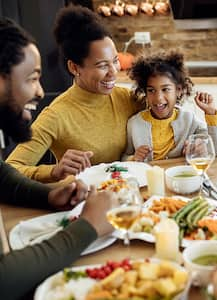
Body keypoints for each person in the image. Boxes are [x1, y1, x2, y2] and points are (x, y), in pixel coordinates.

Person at [0, 18, 115, 300]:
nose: (40, 91)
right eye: (32, 78)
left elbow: (1, 175)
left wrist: (48, 196)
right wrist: (87, 227)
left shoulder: (120, 97)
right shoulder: (57, 113)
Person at [6, 6, 140, 183]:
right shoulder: (56, 115)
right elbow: (11, 169)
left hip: (130, 195)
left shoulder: (125, 97)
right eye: (102, 65)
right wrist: (54, 171)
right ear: (74, 67)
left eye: (115, 61)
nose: (113, 71)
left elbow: (167, 110)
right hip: (82, 203)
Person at [123, 50, 217, 162]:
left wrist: (210, 113)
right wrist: (133, 158)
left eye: (165, 89)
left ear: (179, 90)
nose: (158, 98)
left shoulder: (189, 120)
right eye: (151, 90)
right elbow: (124, 157)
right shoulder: (134, 124)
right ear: (145, 92)